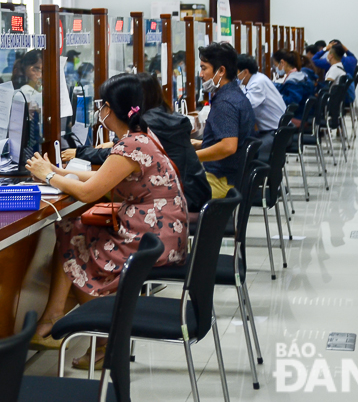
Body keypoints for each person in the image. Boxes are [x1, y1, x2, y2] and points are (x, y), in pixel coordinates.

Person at [24, 73, 188, 367]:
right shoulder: (139, 137)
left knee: (77, 244)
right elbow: (103, 177)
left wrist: (48, 177)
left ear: (110, 108)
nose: (100, 111)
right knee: (70, 230)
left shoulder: (130, 145)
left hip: (154, 238)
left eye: (102, 105)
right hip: (157, 231)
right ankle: (54, 320)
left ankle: (102, 341)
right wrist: (57, 172)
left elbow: (89, 192)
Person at [62, 73, 211, 213]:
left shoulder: (144, 131)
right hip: (188, 195)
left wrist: (53, 172)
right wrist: (58, 172)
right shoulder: (161, 119)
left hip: (174, 208)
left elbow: (89, 191)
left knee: (82, 219)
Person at [192, 42, 255, 198]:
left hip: (221, 182)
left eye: (204, 68)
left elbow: (228, 147)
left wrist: (192, 157)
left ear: (221, 71)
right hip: (232, 178)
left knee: (165, 191)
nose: (201, 74)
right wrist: (201, 144)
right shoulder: (234, 94)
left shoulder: (225, 103)